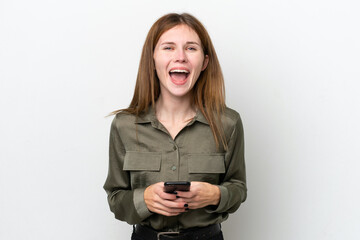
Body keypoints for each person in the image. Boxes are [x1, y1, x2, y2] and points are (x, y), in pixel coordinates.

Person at [103, 13, 247, 240]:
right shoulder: (124, 126)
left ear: (204, 62)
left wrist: (215, 195)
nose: (180, 57)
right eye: (168, 48)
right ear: (152, 60)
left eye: (191, 48)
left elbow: (238, 188)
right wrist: (145, 199)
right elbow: (115, 198)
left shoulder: (228, 123)